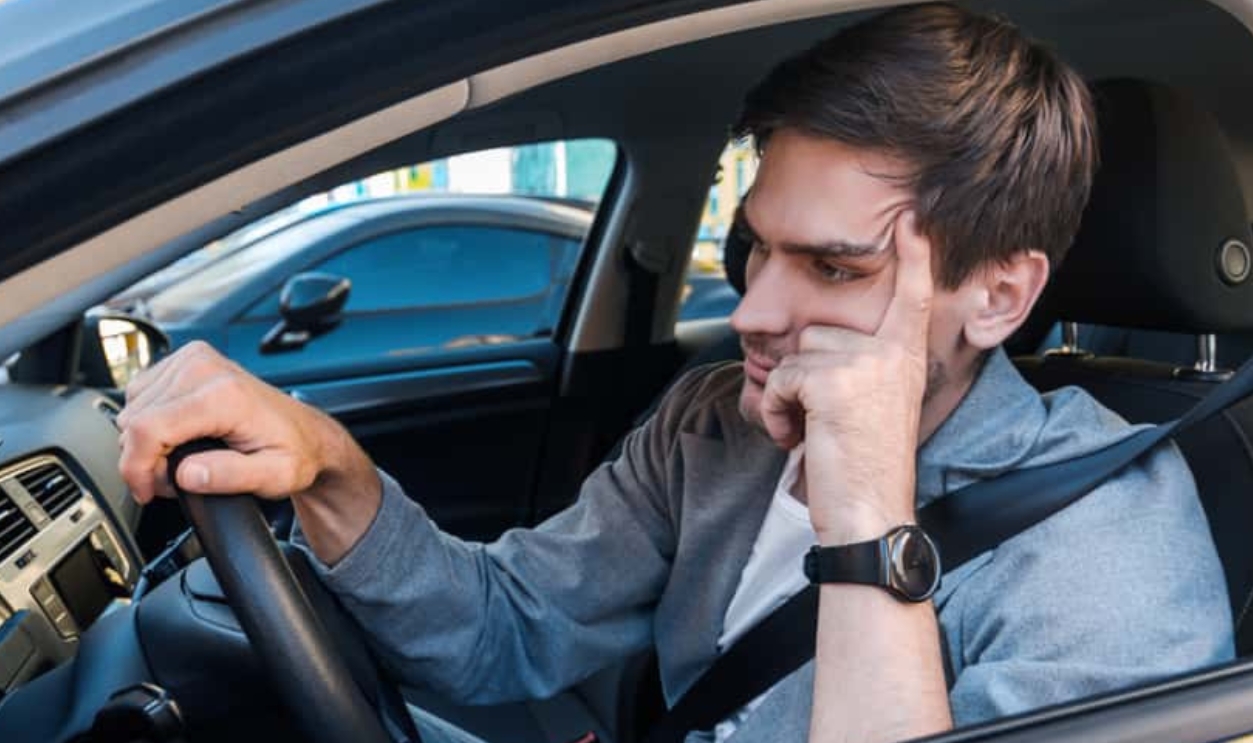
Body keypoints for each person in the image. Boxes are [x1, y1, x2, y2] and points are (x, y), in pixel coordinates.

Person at [116, 4, 1234, 743]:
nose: (748, 309)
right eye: (754, 245)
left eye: (835, 266)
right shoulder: (717, 422)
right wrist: (328, 465)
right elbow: (504, 631)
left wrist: (861, 510)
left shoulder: (1102, 537)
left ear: (996, 294)